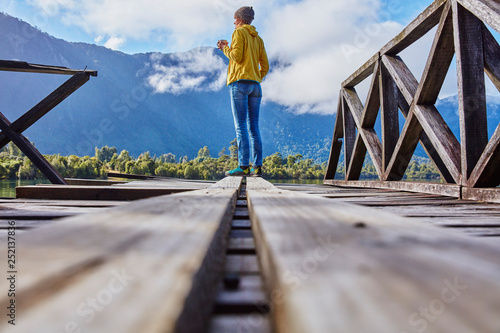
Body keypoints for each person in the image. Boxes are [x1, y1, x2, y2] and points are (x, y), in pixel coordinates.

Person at [218, 6, 269, 177]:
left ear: (239, 20)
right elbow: (265, 65)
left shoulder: (239, 33)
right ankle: (257, 167)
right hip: (255, 86)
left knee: (241, 127)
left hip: (239, 83)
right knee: (254, 127)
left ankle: (243, 166)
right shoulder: (259, 39)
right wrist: (256, 76)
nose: (233, 23)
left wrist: (225, 47)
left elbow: (237, 57)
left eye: (234, 20)